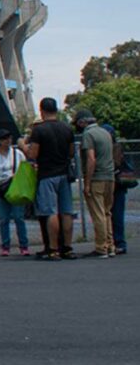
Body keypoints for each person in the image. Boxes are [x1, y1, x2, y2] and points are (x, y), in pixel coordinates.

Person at [19, 98, 76, 261]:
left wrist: (22, 145)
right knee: (66, 211)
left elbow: (33, 154)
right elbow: (71, 152)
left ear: (42, 111)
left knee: (50, 212)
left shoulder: (39, 130)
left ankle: (53, 248)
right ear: (56, 110)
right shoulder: (67, 128)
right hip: (64, 173)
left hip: (47, 174)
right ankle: (67, 248)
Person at [74, 109, 115, 257]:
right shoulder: (105, 132)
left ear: (82, 122)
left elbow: (91, 159)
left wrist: (87, 183)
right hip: (110, 177)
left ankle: (101, 247)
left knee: (98, 214)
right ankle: (110, 245)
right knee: (107, 213)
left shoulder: (88, 134)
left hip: (97, 178)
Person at [0, 128, 29, 256]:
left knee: (19, 217)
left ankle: (24, 245)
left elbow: (24, 169)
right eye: (4, 139)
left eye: (9, 138)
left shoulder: (17, 154)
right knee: (4, 219)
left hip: (15, 188)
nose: (8, 141)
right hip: (0, 189)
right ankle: (5, 246)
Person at [110, 129, 133, 255]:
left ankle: (116, 242)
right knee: (117, 215)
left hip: (115, 185)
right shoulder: (119, 147)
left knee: (114, 215)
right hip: (120, 186)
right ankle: (119, 242)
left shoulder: (112, 149)